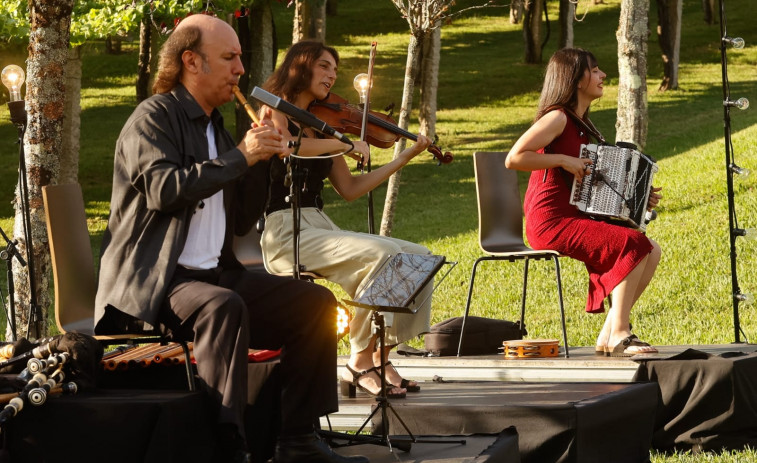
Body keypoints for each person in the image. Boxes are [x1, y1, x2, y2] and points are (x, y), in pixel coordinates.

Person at [94, 15, 368, 463]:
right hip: (156, 282)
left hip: (213, 276)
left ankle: (297, 440)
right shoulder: (153, 117)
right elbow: (165, 192)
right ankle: (229, 447)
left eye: (240, 57)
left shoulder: (215, 128)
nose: (241, 69)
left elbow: (240, 219)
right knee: (223, 307)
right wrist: (242, 155)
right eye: (229, 58)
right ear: (191, 62)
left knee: (315, 304)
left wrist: (264, 160)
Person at [259, 40, 433, 399]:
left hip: (319, 224)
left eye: (334, 69)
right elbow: (288, 146)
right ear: (301, 66)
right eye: (324, 66)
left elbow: (351, 188)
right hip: (283, 229)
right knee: (384, 254)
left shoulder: (325, 127)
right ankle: (359, 358)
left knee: (418, 255)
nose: (332, 75)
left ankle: (381, 358)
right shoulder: (273, 108)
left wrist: (404, 157)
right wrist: (343, 143)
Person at [505, 48, 662, 357]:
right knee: (633, 243)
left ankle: (609, 334)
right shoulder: (557, 117)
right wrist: (564, 159)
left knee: (651, 249)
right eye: (596, 70)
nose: (603, 75)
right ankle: (620, 332)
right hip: (550, 222)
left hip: (575, 216)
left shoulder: (584, 126)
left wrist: (639, 199)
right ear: (577, 79)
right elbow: (514, 158)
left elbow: (596, 184)